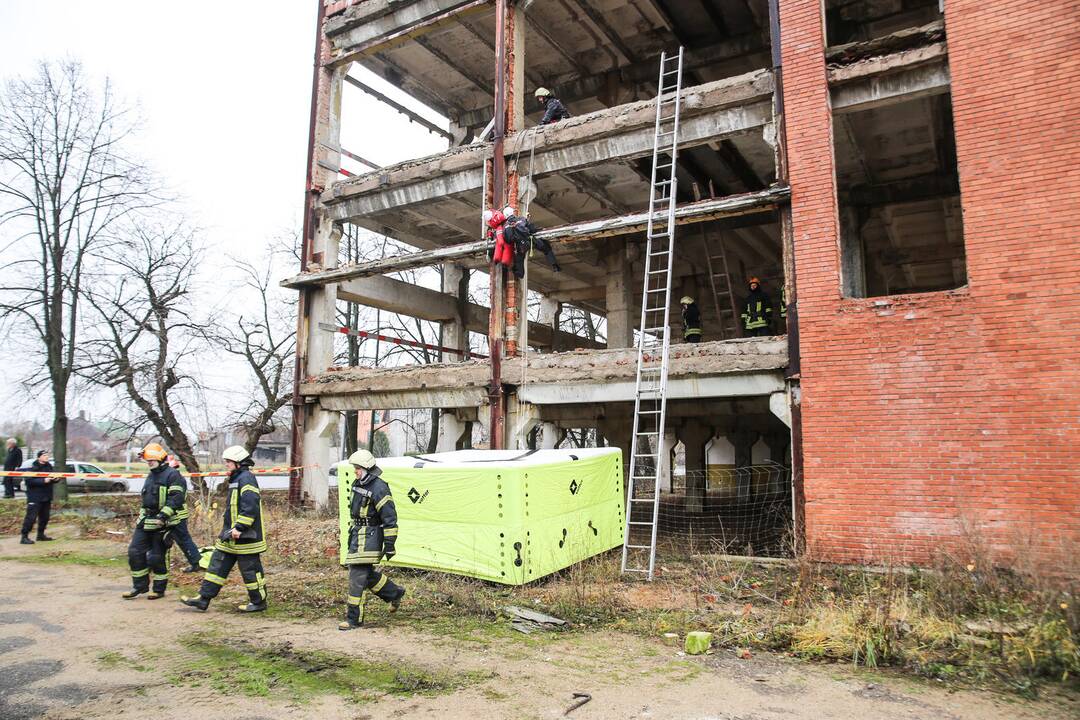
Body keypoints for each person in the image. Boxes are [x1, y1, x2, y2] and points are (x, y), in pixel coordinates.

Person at [181, 446, 267, 613]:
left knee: (251, 572)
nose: (226, 464)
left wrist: (240, 527)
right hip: (231, 535)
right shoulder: (237, 479)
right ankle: (203, 599)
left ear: (238, 463)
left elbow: (250, 506)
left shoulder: (247, 478)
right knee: (216, 567)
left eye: (228, 462)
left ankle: (259, 602)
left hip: (246, 537)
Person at [339, 449, 404, 631]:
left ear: (367, 468)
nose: (355, 472)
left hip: (370, 538)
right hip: (357, 535)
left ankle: (354, 618)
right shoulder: (357, 483)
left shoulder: (380, 487)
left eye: (358, 468)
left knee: (356, 576)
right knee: (365, 575)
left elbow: (390, 518)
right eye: (355, 469)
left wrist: (390, 544)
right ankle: (394, 592)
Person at [122, 443, 188, 600]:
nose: (149, 462)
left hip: (163, 523)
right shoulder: (151, 475)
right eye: (148, 460)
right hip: (145, 521)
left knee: (156, 557)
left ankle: (159, 589)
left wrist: (163, 516)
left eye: (152, 459)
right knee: (134, 552)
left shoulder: (172, 475)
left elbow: (176, 498)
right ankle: (139, 586)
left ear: (160, 459)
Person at [164, 454, 203, 572]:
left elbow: (173, 498)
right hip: (173, 515)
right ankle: (155, 562)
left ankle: (196, 563)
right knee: (163, 539)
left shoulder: (174, 479)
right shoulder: (176, 478)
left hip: (177, 515)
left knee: (183, 540)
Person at [503, 205, 560, 278]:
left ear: (505, 216)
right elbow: (532, 229)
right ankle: (554, 265)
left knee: (519, 260)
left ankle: (519, 274)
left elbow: (508, 240)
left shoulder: (505, 226)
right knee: (546, 248)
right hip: (531, 240)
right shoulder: (521, 219)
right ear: (513, 212)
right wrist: (538, 229)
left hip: (521, 246)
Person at [20, 450, 58, 544]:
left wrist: (55, 479)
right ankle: (24, 537)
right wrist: (43, 481)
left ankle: (40, 535)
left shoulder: (49, 466)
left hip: (46, 496)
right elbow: (28, 481)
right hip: (35, 497)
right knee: (31, 518)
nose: (47, 457)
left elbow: (50, 478)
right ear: (39, 457)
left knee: (45, 517)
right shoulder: (32, 467)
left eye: (47, 455)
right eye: (44, 455)